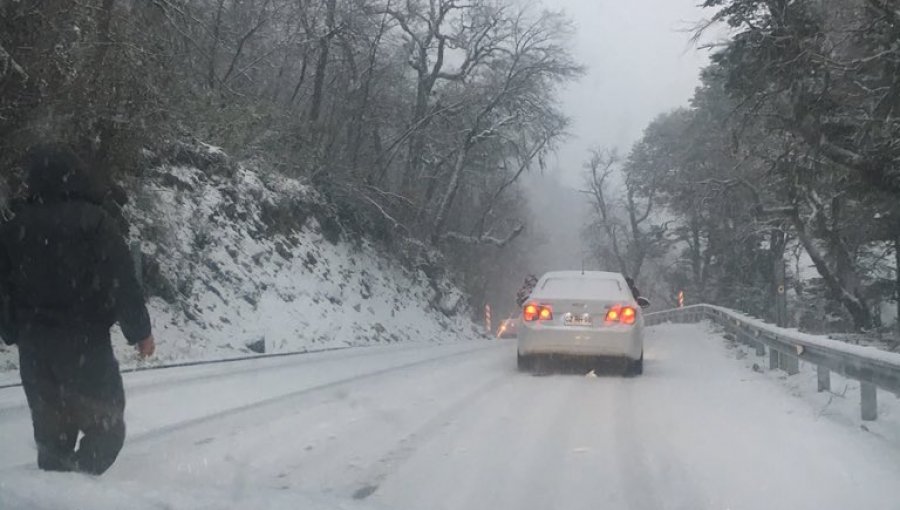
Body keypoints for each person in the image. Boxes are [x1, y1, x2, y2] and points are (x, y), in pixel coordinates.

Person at [0, 144, 155, 475]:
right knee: (106, 428)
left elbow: (3, 288)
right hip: (85, 344)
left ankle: (57, 493)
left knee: (52, 439)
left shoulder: (15, 228)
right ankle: (82, 489)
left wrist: (10, 330)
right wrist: (140, 331)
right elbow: (121, 279)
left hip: (35, 349)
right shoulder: (95, 222)